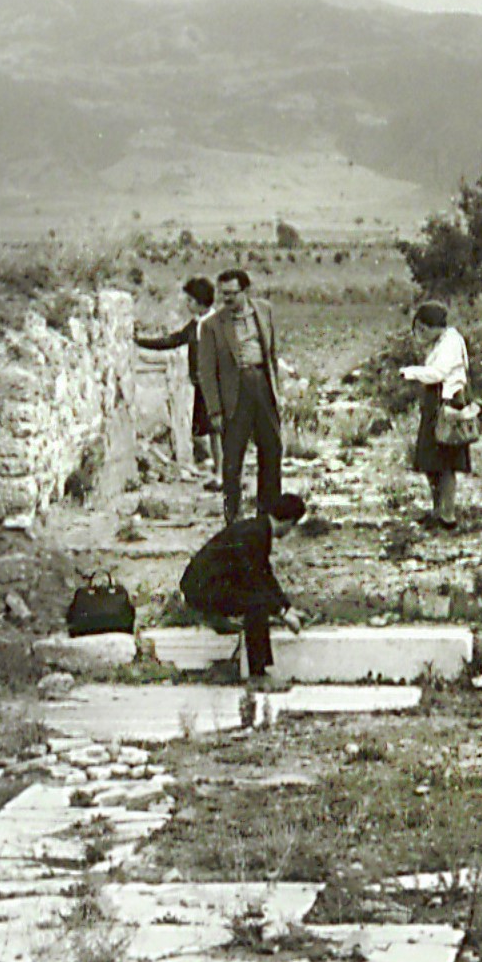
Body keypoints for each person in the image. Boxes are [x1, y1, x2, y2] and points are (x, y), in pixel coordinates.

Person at [178, 490, 307, 686]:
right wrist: (281, 613)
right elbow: (254, 578)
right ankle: (258, 675)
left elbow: (265, 574)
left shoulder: (258, 529)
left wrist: (287, 607)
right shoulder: (256, 534)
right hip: (202, 591)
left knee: (257, 598)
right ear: (289, 522)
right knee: (257, 604)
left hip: (205, 586)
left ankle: (222, 622)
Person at [199, 266, 286, 523]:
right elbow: (206, 371)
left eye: (232, 294)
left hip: (262, 386)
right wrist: (214, 410)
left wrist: (276, 392)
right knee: (233, 459)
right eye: (222, 294)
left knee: (272, 450)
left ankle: (268, 514)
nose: (226, 300)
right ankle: (233, 518)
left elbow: (272, 353)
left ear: (246, 291)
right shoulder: (212, 326)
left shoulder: (265, 310)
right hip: (234, 395)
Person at [133, 275, 222, 483]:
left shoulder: (216, 325)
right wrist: (141, 342)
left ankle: (221, 474)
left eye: (190, 301)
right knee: (210, 429)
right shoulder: (196, 325)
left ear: (200, 302)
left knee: (217, 430)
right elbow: (173, 340)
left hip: (214, 385)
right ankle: (219, 471)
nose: (187, 304)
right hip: (201, 384)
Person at [401, 301, 472, 530]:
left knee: (446, 461)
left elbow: (438, 373)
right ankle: (438, 511)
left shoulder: (451, 342)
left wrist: (411, 373)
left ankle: (447, 515)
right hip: (437, 403)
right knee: (432, 460)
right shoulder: (442, 342)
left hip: (447, 403)